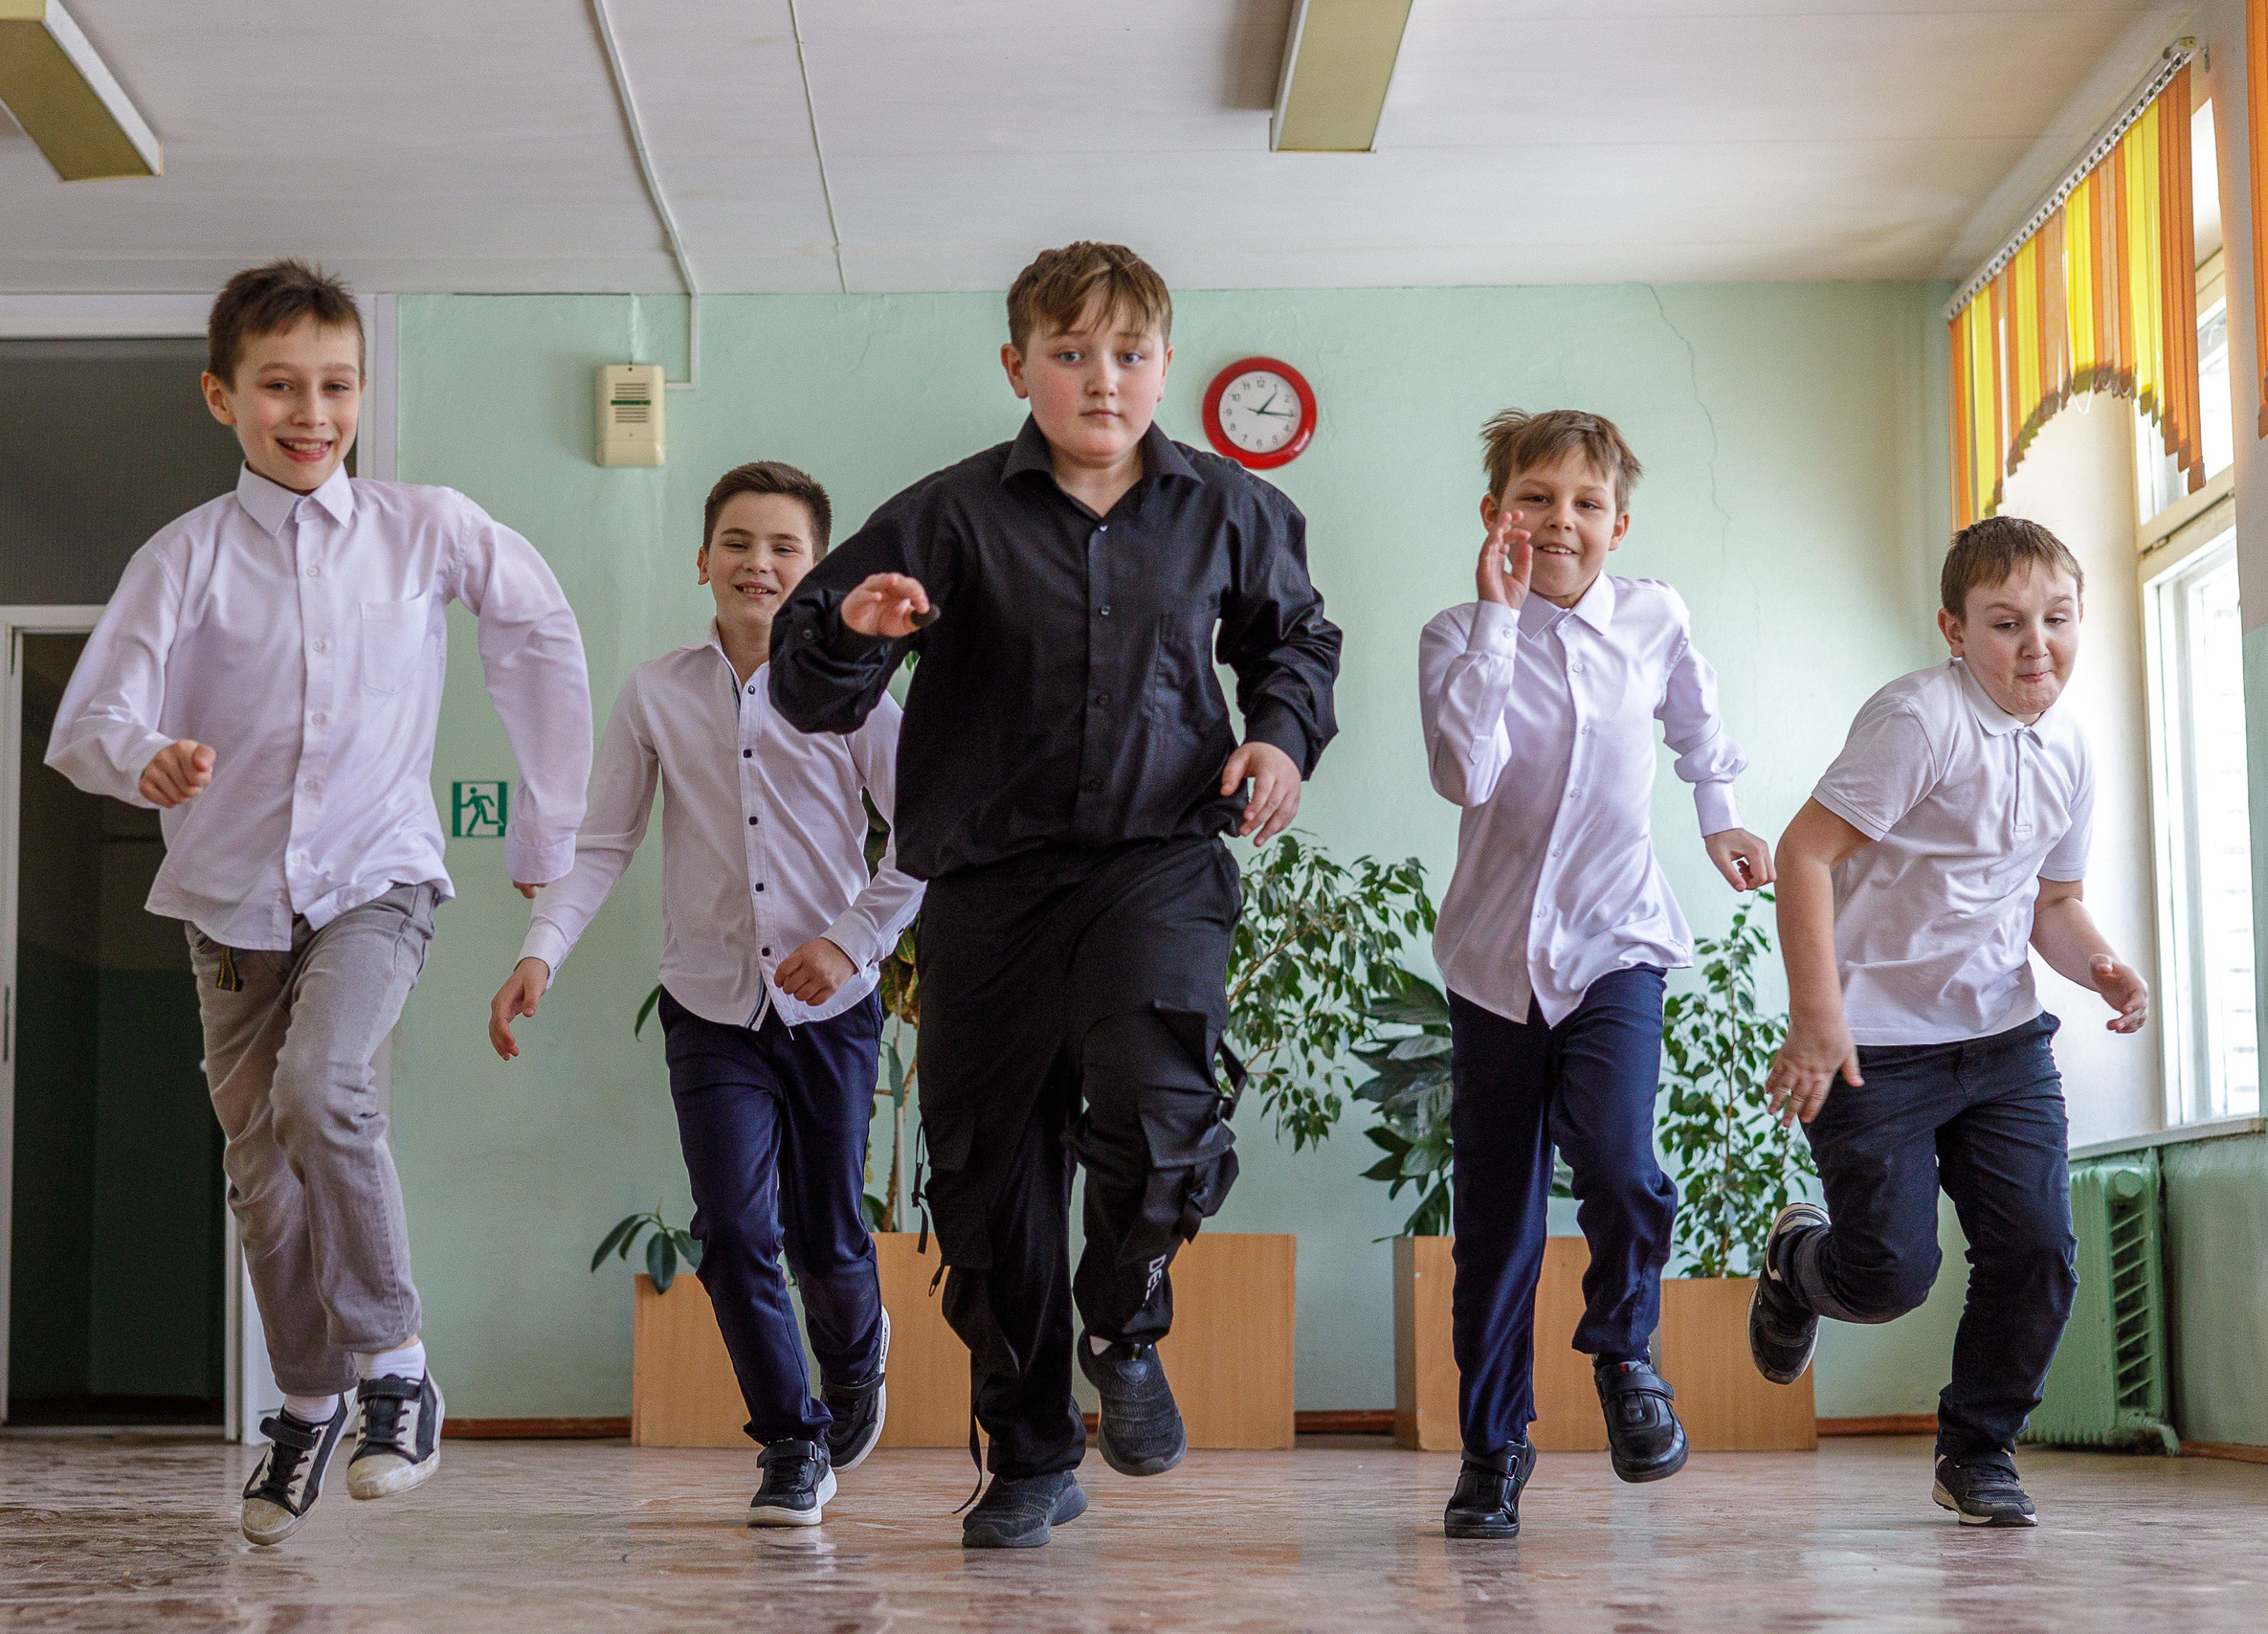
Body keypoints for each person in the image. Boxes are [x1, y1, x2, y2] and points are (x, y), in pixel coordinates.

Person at [768, 241, 1342, 1549]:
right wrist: (858, 630)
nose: (1102, 379)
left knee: (1162, 1110)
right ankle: (1029, 1450)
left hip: (1159, 859)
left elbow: (1296, 639)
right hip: (985, 882)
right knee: (988, 1177)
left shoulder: (1228, 510)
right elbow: (807, 688)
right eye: (1071, 353)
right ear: (1017, 364)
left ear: (1166, 364)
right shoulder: (945, 516)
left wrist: (1279, 739)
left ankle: (1121, 1326)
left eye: (1129, 353)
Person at [45, 259, 593, 1547]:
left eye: (337, 383)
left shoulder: (424, 528)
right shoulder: (182, 557)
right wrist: (148, 759)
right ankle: (307, 1399)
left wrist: (547, 819)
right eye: (279, 384)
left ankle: (399, 1367)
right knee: (259, 1173)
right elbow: (90, 720)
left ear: (362, 389)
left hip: (377, 876)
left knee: (321, 1091)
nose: (312, 410)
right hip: (228, 903)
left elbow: (541, 628)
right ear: (221, 396)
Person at [488, 460, 922, 1528]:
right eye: (737, 542)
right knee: (730, 1229)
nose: (758, 562)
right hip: (708, 1005)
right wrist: (540, 950)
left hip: (830, 1006)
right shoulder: (656, 691)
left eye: (782, 547)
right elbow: (603, 843)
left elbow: (925, 840)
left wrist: (851, 944)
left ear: (819, 571)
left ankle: (856, 1355)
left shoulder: (861, 694)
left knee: (827, 1235)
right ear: (702, 561)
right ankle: (789, 1441)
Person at [1752, 514, 2149, 1528]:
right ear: (1954, 629)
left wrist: (2096, 964)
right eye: (2006, 622)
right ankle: (1799, 1261)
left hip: (2002, 1040)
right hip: (1876, 1043)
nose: (2035, 646)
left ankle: (1977, 1455)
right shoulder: (1917, 722)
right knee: (1887, 1277)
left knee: (2037, 1253)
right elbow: (1803, 854)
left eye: (2056, 620)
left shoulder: (2068, 748)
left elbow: (2050, 904)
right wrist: (1817, 1019)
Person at [1419, 410, 1770, 1540]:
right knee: (1497, 1231)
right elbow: (1463, 776)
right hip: (1492, 964)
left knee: (1620, 1162)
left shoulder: (1655, 616)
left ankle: (1624, 1356)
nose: (1558, 521)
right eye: (1533, 498)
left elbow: (1698, 729)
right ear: (1495, 516)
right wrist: (1494, 626)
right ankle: (1492, 1452)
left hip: (1616, 943)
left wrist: (1720, 821)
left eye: (1583, 503)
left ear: (1618, 522)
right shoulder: (1454, 635)